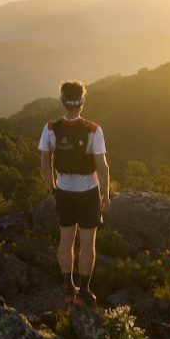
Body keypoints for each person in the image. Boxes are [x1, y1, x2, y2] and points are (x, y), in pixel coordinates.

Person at [39, 80, 111, 306]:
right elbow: (103, 167)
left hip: (64, 192)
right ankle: (84, 293)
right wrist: (105, 194)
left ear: (62, 100)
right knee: (87, 243)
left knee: (66, 241)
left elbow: (44, 163)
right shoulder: (93, 130)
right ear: (82, 101)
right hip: (88, 192)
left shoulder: (51, 128)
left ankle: (68, 290)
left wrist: (53, 190)